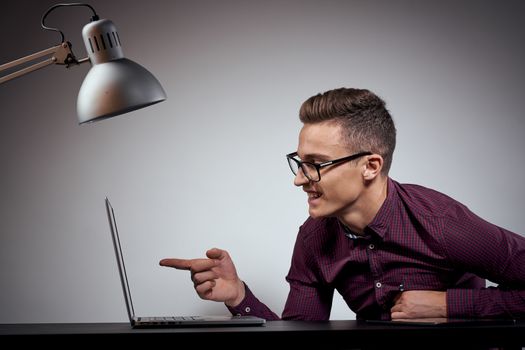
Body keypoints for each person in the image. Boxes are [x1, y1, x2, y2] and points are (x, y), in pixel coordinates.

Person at [160, 87, 525, 321]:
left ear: (371, 166)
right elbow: (301, 341)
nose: (299, 179)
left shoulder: (441, 222)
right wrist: (239, 296)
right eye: (300, 163)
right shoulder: (314, 238)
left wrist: (450, 307)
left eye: (316, 165)